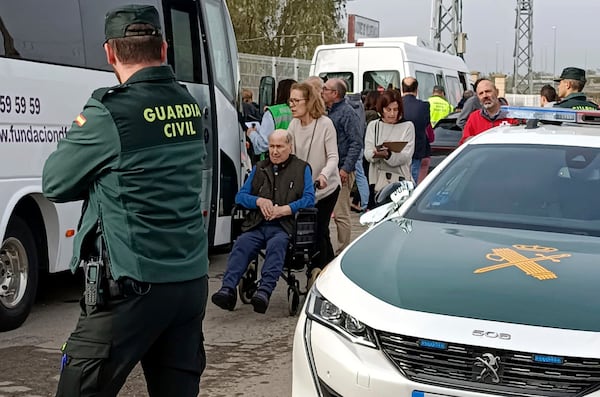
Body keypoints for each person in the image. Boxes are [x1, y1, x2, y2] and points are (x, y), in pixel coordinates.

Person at [42, 5, 209, 396]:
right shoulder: (190, 106)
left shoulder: (111, 111)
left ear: (110, 54)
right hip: (188, 283)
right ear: (164, 49)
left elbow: (55, 181)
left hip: (131, 286)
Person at [211, 129, 315, 314]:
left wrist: (285, 209)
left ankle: (264, 292)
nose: (274, 151)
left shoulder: (302, 168)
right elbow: (240, 196)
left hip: (284, 226)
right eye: (271, 146)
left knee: (277, 245)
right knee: (242, 243)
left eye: (279, 147)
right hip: (258, 224)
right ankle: (227, 289)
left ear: (289, 147)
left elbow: (309, 199)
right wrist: (258, 201)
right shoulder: (260, 168)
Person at [287, 82, 340, 277]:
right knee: (316, 231)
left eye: (296, 100)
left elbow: (333, 156)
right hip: (305, 188)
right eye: (290, 101)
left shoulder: (325, 124)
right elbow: (290, 156)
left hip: (327, 187)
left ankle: (318, 269)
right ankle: (329, 267)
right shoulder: (293, 125)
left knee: (319, 228)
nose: (291, 105)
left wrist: (324, 175)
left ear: (308, 102)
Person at [321, 78, 363, 254]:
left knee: (341, 213)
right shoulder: (330, 111)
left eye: (325, 89)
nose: (322, 91)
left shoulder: (346, 113)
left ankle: (343, 250)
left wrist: (345, 169)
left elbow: (356, 142)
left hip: (341, 170)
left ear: (335, 94)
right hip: (331, 169)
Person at [364, 90, 415, 194]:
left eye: (395, 109)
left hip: (400, 181)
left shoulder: (408, 126)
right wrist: (376, 154)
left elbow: (406, 155)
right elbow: (367, 153)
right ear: (381, 109)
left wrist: (388, 155)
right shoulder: (374, 126)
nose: (392, 113)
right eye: (388, 109)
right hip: (378, 181)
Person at [246, 79, 296, 159]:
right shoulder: (300, 111)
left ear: (279, 93)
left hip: (273, 162)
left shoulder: (272, 112)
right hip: (293, 160)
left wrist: (251, 133)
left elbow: (263, 144)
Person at [458, 79, 518, 145]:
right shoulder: (474, 118)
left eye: (488, 91)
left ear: (497, 92)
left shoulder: (513, 116)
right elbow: (464, 143)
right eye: (481, 93)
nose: (485, 96)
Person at [401, 77, 431, 184]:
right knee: (413, 179)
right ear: (416, 89)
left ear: (402, 88)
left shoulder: (396, 105)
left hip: (399, 148)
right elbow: (426, 123)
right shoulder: (424, 106)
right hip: (417, 148)